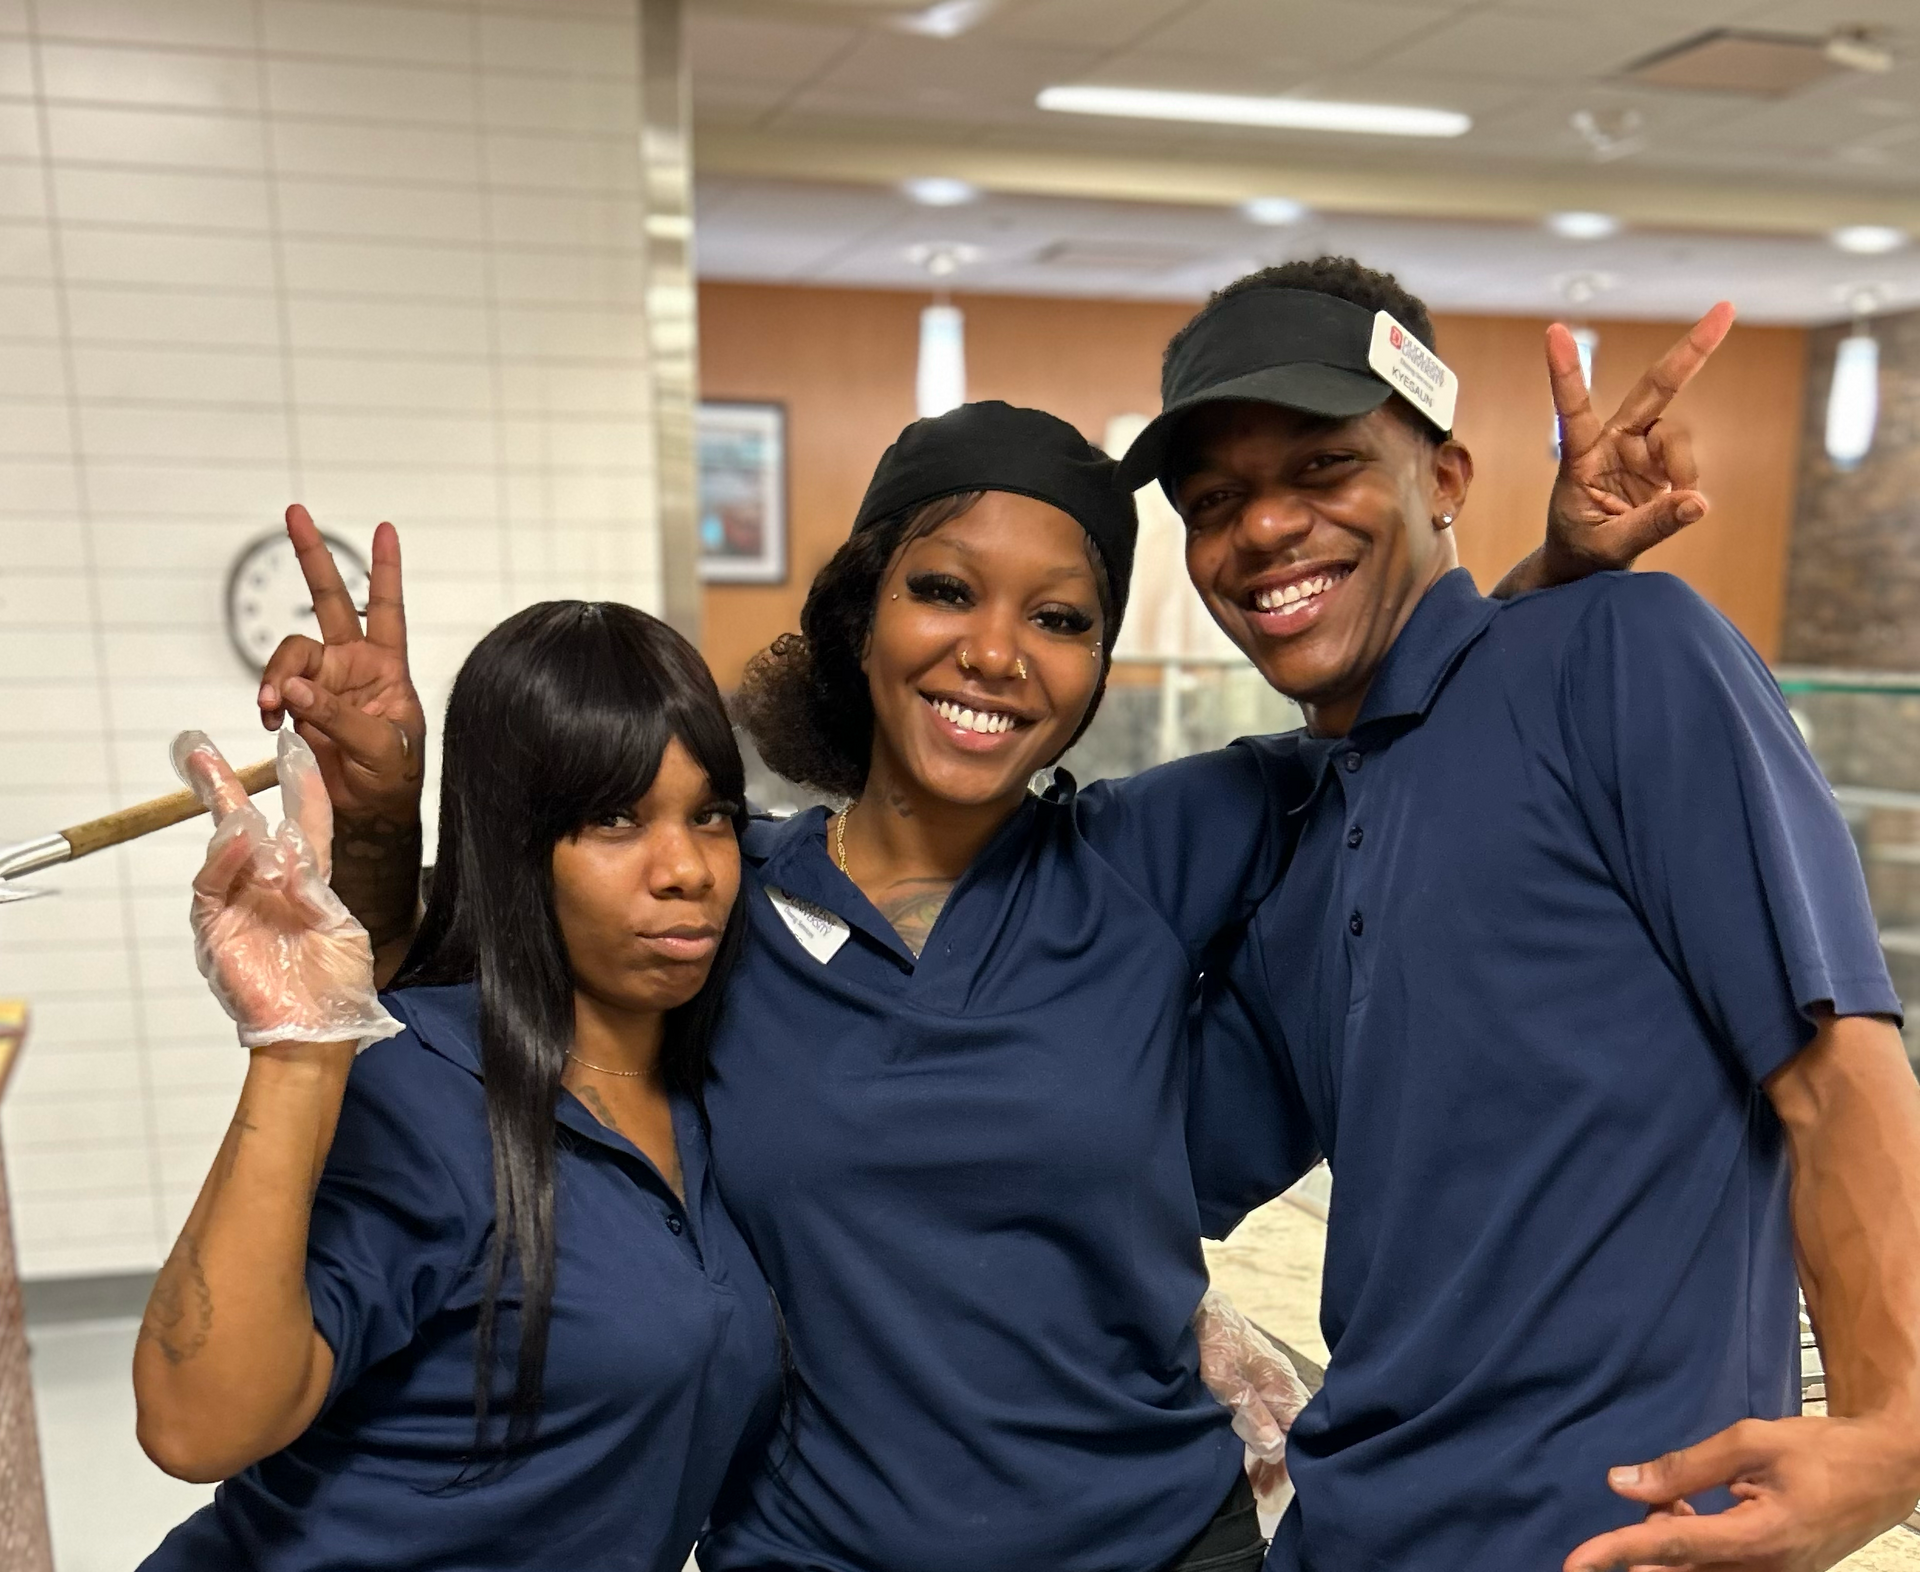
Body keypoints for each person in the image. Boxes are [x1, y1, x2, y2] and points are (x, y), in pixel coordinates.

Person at [258, 343, 1710, 1570]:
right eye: (947, 592)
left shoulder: (1156, 853)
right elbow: (438, 995)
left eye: (1062, 620)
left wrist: (1546, 576)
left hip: (1156, 1543)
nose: (998, 654)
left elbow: (1398, 725)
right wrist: (381, 807)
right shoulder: (713, 903)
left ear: (1094, 670)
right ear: (862, 613)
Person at [1123, 260, 1920, 1572]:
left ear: (1443, 477)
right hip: (1351, 1535)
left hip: (1617, 1540)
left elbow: (1836, 1067)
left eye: (1323, 468)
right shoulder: (1314, 836)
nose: (1261, 530)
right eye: (1215, 501)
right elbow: (1155, 1175)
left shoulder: (1627, 652)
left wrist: (1895, 1433)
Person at [135, 602, 781, 1572]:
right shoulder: (427, 1093)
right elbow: (195, 1426)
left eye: (711, 817)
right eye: (615, 819)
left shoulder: (722, 1091)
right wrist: (297, 1041)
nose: (686, 869)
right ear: (518, 847)